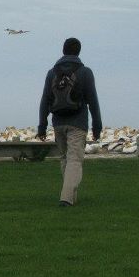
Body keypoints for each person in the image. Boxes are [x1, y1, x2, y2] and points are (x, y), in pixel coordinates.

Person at [37, 38, 102, 207]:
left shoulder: (52, 72)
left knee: (65, 158)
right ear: (78, 52)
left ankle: (71, 197)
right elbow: (93, 101)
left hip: (58, 122)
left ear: (63, 51)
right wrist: (97, 126)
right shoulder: (85, 72)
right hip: (77, 122)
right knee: (75, 159)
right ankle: (66, 198)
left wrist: (42, 126)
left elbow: (45, 99)